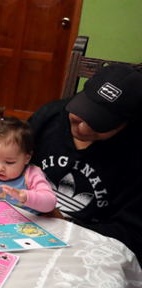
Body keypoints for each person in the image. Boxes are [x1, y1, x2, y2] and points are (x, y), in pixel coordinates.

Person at [29, 64, 142, 259]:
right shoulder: (49, 117)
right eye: (80, 113)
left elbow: (133, 233)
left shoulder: (135, 154)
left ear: (127, 124)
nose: (82, 128)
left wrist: (67, 226)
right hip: (27, 223)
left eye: (99, 122)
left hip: (89, 245)